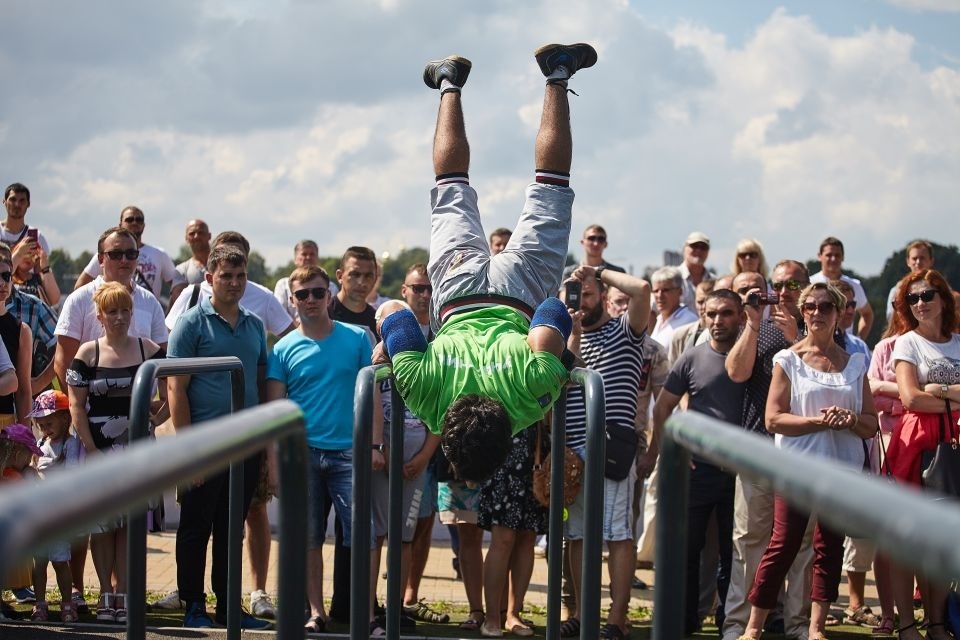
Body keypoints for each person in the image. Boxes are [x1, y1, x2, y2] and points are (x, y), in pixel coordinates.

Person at [380, 43, 596, 483]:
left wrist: (554, 351)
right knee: (450, 185)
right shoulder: (425, 400)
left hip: (520, 292)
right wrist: (388, 345)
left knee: (551, 188)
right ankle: (448, 80)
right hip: (457, 292)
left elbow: (552, 311)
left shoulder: (530, 400)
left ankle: (558, 73)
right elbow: (398, 317)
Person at [738, 282, 878, 640]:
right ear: (802, 313)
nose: (817, 313)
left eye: (825, 306)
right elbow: (773, 419)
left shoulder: (856, 363)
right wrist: (819, 422)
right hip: (797, 470)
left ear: (839, 313)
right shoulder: (788, 359)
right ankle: (753, 628)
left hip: (841, 471)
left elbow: (870, 424)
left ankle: (816, 628)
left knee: (829, 547)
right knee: (783, 545)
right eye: (811, 307)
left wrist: (849, 419)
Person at [264, 264, 382, 635]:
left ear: (329, 295)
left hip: (350, 453)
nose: (311, 300)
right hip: (302, 456)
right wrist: (273, 464)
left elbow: (374, 396)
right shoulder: (282, 349)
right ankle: (316, 612)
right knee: (309, 538)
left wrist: (376, 444)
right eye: (303, 294)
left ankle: (367, 615)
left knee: (363, 537)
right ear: (292, 300)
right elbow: (273, 413)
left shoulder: (358, 338)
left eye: (318, 292)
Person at [166, 245, 272, 630]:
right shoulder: (191, 323)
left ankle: (229, 606)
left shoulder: (255, 325)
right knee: (196, 528)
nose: (234, 283)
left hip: (244, 444)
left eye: (240, 276)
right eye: (226, 276)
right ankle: (194, 604)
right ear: (210, 278)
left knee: (231, 530)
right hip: (203, 444)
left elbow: (260, 383)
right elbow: (176, 389)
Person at [641, 288, 747, 635]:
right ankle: (684, 622)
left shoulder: (753, 358)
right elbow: (663, 408)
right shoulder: (691, 357)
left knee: (734, 553)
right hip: (698, 470)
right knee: (687, 550)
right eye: (712, 313)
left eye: (726, 313)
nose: (718, 320)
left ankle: (730, 622)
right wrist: (672, 452)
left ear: (741, 315)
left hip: (742, 472)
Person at [723, 259, 815, 640]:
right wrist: (753, 322)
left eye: (793, 285)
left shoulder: (818, 325)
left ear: (806, 287)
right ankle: (737, 626)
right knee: (749, 540)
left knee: (804, 543)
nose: (783, 292)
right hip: (758, 448)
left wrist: (797, 339)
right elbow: (736, 372)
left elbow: (822, 378)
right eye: (777, 285)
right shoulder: (755, 325)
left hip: (803, 452)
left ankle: (799, 625)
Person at [66, 281, 166, 623]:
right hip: (99, 452)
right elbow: (76, 407)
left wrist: (158, 418)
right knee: (103, 526)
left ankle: (124, 592)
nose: (120, 317)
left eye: (125, 310)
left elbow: (174, 390)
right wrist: (91, 450)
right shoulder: (87, 353)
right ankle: (105, 595)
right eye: (112, 311)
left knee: (129, 525)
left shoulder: (148, 349)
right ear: (100, 316)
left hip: (137, 453)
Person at [562, 264, 651, 640]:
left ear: (601, 294)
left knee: (617, 534)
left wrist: (598, 270)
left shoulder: (626, 330)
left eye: (587, 294)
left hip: (612, 447)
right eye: (574, 295)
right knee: (578, 535)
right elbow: (562, 380)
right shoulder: (565, 335)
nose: (581, 302)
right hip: (572, 449)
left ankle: (616, 618)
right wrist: (572, 335)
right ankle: (583, 614)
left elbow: (642, 289)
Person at [883, 269, 959, 640]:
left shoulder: (959, 342)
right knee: (907, 539)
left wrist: (938, 389)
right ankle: (908, 625)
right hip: (916, 446)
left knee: (944, 541)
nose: (920, 303)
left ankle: (937, 622)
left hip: (954, 445)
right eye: (912, 298)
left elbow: (925, 393)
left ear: (943, 298)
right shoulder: (906, 343)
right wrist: (953, 397)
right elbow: (911, 397)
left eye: (927, 295)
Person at [54, 227, 169, 388]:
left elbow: (162, 364)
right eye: (116, 254)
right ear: (101, 259)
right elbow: (63, 361)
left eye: (131, 254)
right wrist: (76, 402)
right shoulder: (79, 300)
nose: (124, 260)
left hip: (141, 402)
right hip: (90, 402)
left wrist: (163, 400)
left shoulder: (150, 302)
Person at [166, 231, 294, 338]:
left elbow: (292, 338)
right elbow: (167, 338)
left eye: (237, 253)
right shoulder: (192, 294)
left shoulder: (264, 297)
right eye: (223, 252)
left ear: (246, 260)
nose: (231, 257)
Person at [28, 393, 84, 623]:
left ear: (64, 418)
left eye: (49, 423)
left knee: (61, 561)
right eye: (41, 425)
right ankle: (40, 603)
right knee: (39, 561)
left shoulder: (71, 445)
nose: (45, 429)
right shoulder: (39, 445)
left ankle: (67, 603)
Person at [74, 206, 187, 306]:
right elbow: (80, 285)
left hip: (146, 308)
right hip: (112, 310)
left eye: (139, 220)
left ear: (144, 226)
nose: (134, 222)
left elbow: (177, 286)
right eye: (129, 219)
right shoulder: (108, 253)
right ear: (120, 225)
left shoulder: (159, 254)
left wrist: (170, 314)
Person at [0, 242, 58, 393]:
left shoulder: (32, 306)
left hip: (19, 399)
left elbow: (64, 345)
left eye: (5, 272)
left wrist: (39, 382)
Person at [2, 183, 59, 306]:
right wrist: (19, 253)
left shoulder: (37, 236)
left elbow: (54, 298)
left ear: (28, 204)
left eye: (22, 201)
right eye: (13, 199)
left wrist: (44, 266)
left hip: (30, 301)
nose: (17, 204)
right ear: (4, 202)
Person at [810, 236, 873, 340]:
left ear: (843, 257)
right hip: (817, 342)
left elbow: (867, 314)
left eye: (837, 255)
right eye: (829, 255)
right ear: (819, 256)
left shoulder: (854, 285)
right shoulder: (810, 284)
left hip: (846, 344)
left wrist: (859, 340)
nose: (833, 259)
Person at [0, 255, 32, 425]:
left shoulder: (21, 330)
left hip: (4, 424)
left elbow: (23, 391)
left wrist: (25, 434)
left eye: (6, 276)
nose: (2, 283)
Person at [649, 266, 697, 347]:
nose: (659, 295)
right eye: (656, 291)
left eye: (665, 290)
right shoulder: (659, 319)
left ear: (680, 292)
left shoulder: (690, 321)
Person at [273, 240, 320, 322]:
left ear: (317, 258)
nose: (308, 257)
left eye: (312, 254)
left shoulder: (329, 286)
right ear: (295, 259)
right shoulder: (283, 285)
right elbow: (279, 315)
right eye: (304, 254)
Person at [679, 231, 716, 311]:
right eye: (694, 246)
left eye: (703, 247)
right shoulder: (673, 279)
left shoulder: (715, 281)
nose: (698, 250)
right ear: (684, 248)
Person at [175, 219, 211, 285]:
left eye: (200, 233)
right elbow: (178, 291)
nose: (196, 236)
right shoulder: (181, 270)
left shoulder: (222, 265)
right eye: (192, 233)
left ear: (209, 236)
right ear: (186, 238)